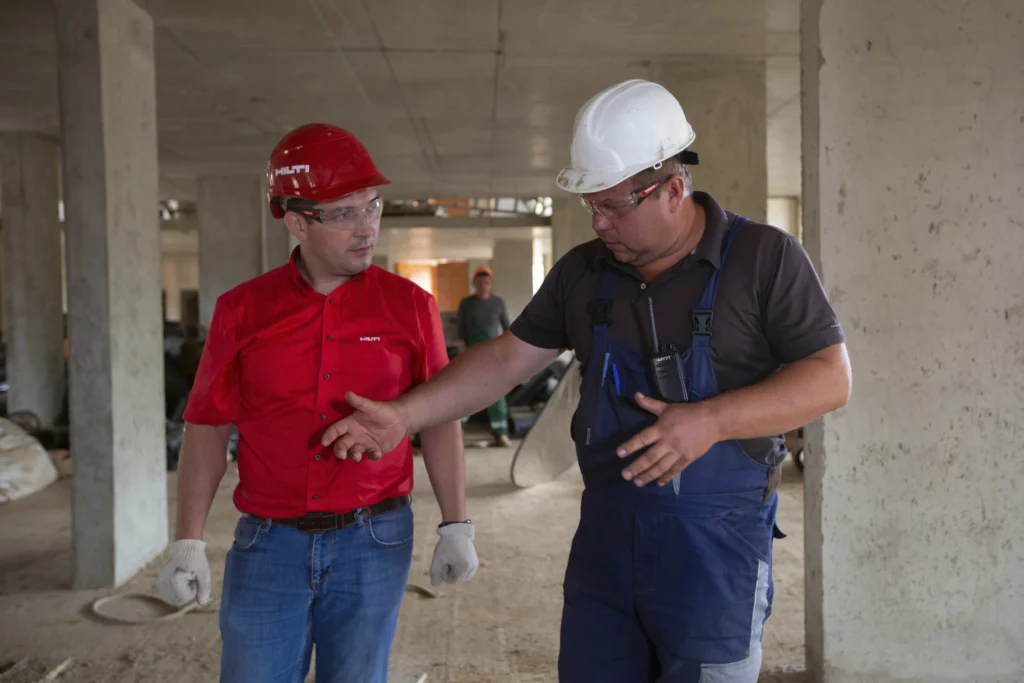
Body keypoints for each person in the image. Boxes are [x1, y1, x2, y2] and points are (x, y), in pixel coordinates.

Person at [319, 79, 853, 682]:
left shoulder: (764, 259)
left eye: (613, 206)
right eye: (590, 205)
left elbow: (830, 378)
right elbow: (503, 361)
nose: (598, 222)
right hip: (606, 536)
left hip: (716, 544)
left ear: (673, 189)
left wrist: (712, 420)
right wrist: (406, 416)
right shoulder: (584, 274)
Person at [156, 123, 479, 683]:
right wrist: (187, 540)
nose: (368, 228)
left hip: (375, 541)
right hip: (268, 544)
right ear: (298, 221)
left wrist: (457, 524)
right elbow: (207, 426)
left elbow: (441, 419)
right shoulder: (242, 311)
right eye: (345, 213)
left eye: (373, 206)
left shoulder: (411, 307)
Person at [456, 266, 512, 446]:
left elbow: (508, 329)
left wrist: (507, 352)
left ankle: (500, 433)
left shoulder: (498, 303)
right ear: (474, 284)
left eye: (486, 283)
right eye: (479, 283)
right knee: (467, 391)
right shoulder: (467, 304)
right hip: (472, 352)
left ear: (491, 285)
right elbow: (460, 331)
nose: (483, 286)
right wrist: (462, 352)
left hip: (493, 353)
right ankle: (456, 432)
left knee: (496, 392)